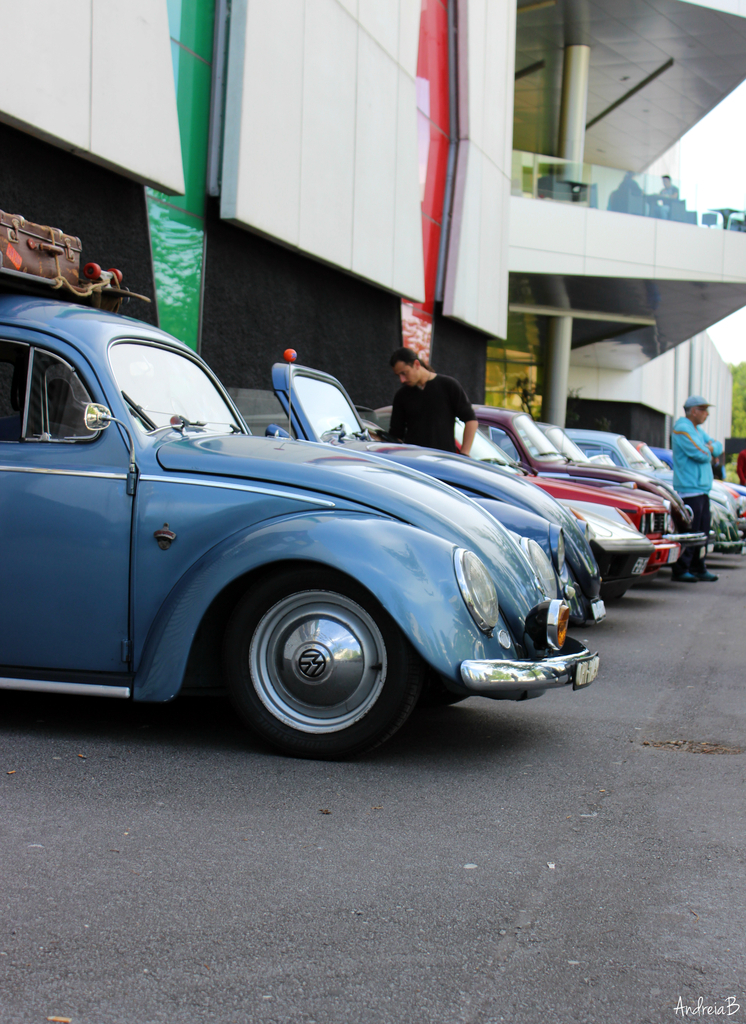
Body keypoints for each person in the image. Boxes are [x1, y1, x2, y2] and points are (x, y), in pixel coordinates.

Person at [671, 396, 723, 582]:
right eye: (704, 410)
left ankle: (698, 566)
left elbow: (718, 446)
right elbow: (701, 454)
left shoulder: (697, 430)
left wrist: (710, 448)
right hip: (689, 489)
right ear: (694, 411)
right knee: (691, 531)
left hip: (701, 488)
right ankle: (681, 568)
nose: (707, 414)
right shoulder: (682, 428)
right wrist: (709, 449)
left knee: (702, 531)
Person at [389, 347, 478, 456]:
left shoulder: (448, 386)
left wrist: (464, 454)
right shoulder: (401, 395)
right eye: (398, 375)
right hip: (414, 461)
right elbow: (395, 434)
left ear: (416, 364)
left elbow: (471, 420)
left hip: (444, 460)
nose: (402, 380)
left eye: (404, 373)